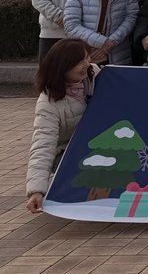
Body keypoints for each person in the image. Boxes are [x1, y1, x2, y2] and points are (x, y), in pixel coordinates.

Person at [25, 39, 97, 213]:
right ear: (61, 67)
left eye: (86, 58)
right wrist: (36, 191)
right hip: (67, 151)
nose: (85, 65)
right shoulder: (48, 103)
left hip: (101, 144)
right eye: (78, 62)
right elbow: (43, 145)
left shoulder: (97, 76)